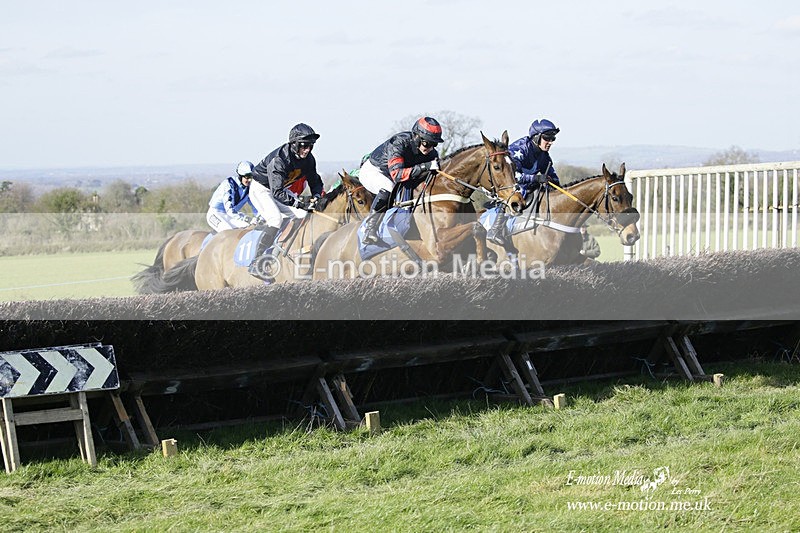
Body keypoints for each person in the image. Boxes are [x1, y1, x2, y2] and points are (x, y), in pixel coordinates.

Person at [247, 123, 325, 272]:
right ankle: (256, 262)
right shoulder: (279, 160)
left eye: (310, 146)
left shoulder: (308, 159)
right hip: (261, 189)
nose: (307, 150)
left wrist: (316, 196)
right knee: (275, 219)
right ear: (294, 144)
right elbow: (276, 193)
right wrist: (300, 202)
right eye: (304, 145)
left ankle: (287, 248)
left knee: (303, 215)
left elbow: (315, 181)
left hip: (279, 189)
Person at [358, 116, 444, 245]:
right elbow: (397, 175)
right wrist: (424, 167)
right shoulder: (399, 143)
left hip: (397, 173)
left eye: (434, 144)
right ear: (416, 137)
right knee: (388, 186)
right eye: (427, 143)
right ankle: (370, 229)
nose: (430, 148)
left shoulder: (431, 153)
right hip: (375, 171)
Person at [487, 119, 561, 246]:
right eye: (547, 138)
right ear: (537, 137)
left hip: (527, 186)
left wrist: (559, 190)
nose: (550, 142)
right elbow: (512, 176)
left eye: (552, 139)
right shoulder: (519, 149)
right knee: (517, 192)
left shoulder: (544, 155)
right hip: (510, 185)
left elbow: (552, 175)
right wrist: (536, 178)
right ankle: (496, 229)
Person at [206, 161, 258, 232]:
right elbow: (229, 210)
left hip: (231, 216)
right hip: (215, 214)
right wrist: (247, 219)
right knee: (228, 232)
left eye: (252, 177)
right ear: (240, 176)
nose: (250, 180)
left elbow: (255, 206)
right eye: (247, 177)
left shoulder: (249, 188)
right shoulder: (228, 185)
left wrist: (259, 218)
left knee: (248, 228)